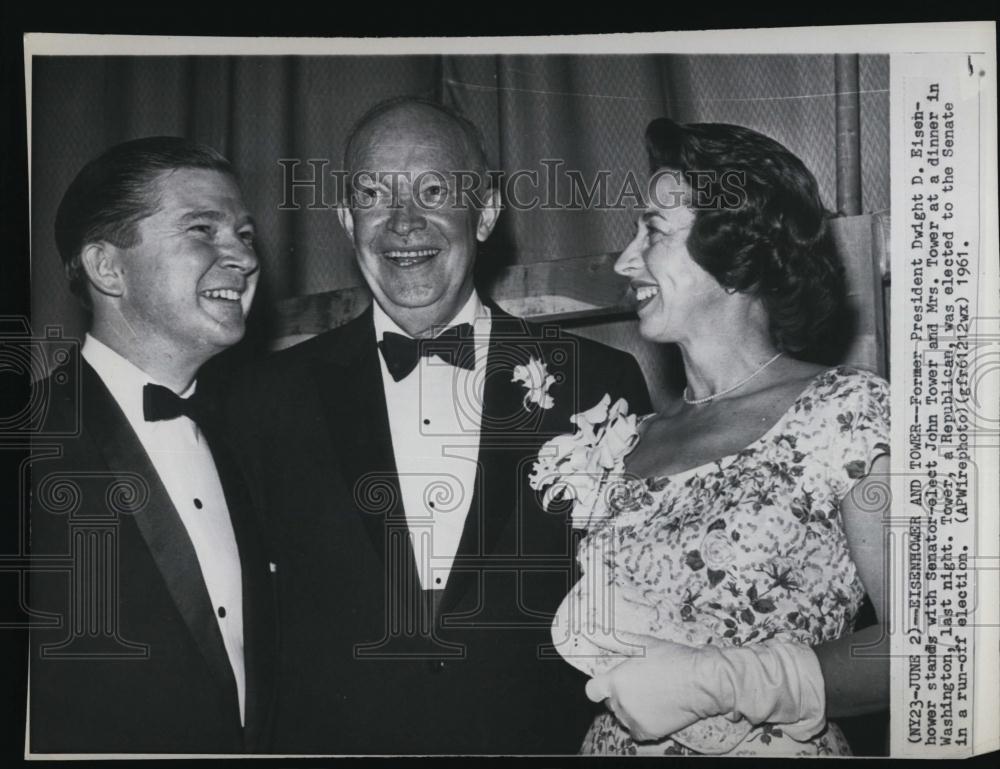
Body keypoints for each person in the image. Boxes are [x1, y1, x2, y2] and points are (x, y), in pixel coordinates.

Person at [225, 97, 652, 754]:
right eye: (374, 193)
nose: (402, 221)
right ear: (345, 218)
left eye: (432, 190)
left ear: (484, 213)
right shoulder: (262, 399)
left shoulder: (597, 384)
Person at [540, 118, 890, 756]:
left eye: (651, 230)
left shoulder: (848, 413)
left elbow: (938, 647)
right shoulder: (628, 438)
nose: (624, 261)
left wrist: (722, 682)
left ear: (737, 258)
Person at [29, 137, 276, 753]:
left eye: (245, 236)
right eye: (202, 229)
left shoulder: (257, 437)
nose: (242, 258)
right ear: (107, 267)